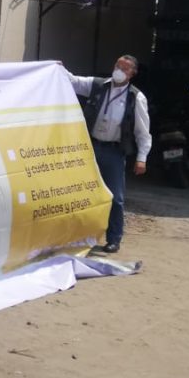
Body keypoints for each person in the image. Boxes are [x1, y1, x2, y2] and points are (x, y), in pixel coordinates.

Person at [64, 55, 151, 255]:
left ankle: (113, 239)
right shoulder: (98, 85)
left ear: (132, 73)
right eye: (118, 65)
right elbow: (73, 81)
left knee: (115, 197)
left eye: (125, 68)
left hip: (114, 152)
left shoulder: (136, 97)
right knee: (82, 192)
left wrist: (142, 158)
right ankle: (78, 235)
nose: (119, 70)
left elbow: (143, 133)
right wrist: (58, 67)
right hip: (90, 148)